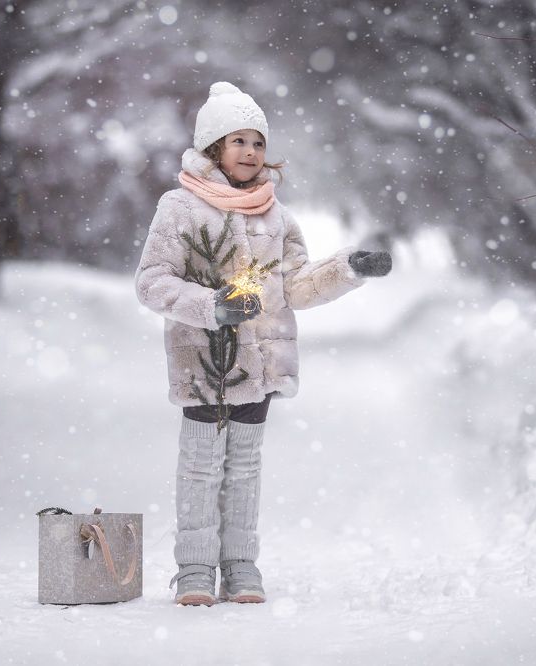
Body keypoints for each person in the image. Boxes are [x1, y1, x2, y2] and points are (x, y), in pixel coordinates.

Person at [134, 82, 392, 606]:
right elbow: (152, 282)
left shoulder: (277, 215)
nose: (250, 152)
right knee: (202, 467)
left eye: (257, 142)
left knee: (246, 467)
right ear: (213, 147)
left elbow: (294, 285)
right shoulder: (180, 207)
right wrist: (213, 307)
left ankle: (240, 566)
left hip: (261, 363)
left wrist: (346, 269)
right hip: (205, 361)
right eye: (238, 141)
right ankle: (195, 570)